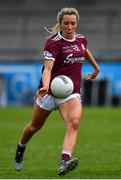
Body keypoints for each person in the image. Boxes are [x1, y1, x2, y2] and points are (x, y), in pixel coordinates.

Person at [14, 7, 100, 176]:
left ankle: (64, 161)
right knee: (34, 127)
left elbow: (84, 50)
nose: (69, 27)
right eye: (66, 23)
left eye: (73, 23)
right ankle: (20, 149)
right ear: (60, 24)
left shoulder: (82, 39)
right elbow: (47, 69)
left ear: (77, 24)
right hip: (49, 93)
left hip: (70, 93)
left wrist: (96, 68)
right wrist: (45, 86)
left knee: (74, 122)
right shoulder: (54, 43)